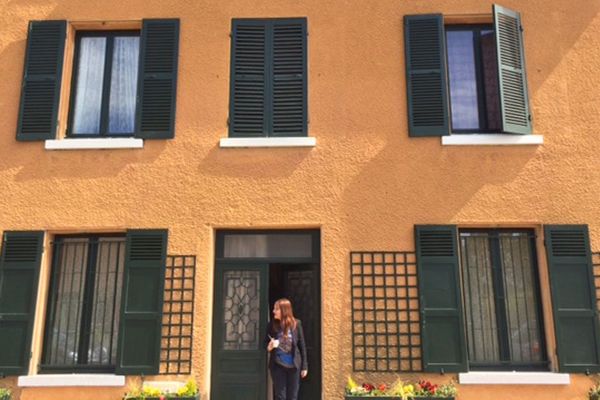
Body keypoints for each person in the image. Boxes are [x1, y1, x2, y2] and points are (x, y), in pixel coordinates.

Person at [265, 298, 308, 400]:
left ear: (284, 310)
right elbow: (265, 343)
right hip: (278, 366)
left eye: (276, 309)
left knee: (293, 396)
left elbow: (302, 345)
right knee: (280, 396)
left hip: (294, 366)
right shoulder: (272, 325)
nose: (273, 311)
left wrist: (304, 366)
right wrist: (270, 346)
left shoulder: (296, 324)